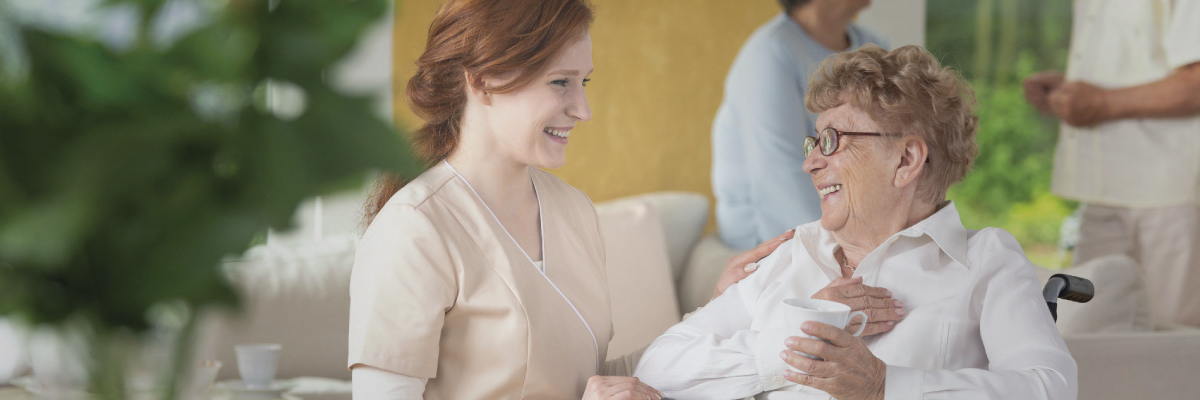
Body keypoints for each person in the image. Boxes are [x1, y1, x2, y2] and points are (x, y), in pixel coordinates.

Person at [346, 0, 791, 398]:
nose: (582, 109)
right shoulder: (415, 228)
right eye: (561, 82)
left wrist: (720, 315)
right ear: (481, 82)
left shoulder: (573, 211)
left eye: (584, 82)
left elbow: (594, 383)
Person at [634, 45, 1077, 400]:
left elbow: (1051, 388)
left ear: (906, 160)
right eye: (813, 140)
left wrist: (885, 387)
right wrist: (793, 341)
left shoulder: (984, 260)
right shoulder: (789, 257)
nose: (809, 163)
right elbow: (658, 367)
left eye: (832, 140)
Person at [1022, 0, 1200, 327]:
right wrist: (1073, 93)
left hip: (1171, 192)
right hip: (1102, 189)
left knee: (1178, 340)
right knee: (1088, 325)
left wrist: (1101, 102)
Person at [712, 0, 887, 250]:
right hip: (770, 243)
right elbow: (779, 184)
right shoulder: (771, 53)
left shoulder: (873, 46)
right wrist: (846, 253)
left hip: (853, 231)